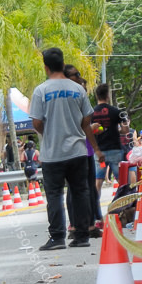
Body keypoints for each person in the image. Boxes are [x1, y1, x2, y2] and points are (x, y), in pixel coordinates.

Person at [29, 47, 102, 251]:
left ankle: (58, 237)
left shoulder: (41, 90)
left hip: (53, 153)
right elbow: (88, 118)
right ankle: (81, 235)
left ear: (46, 67)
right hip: (77, 151)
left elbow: (36, 122)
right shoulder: (77, 89)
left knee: (54, 195)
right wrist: (75, 128)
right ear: (63, 64)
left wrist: (50, 132)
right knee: (80, 192)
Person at [64, 65, 102, 238]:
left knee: (89, 190)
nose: (79, 79)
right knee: (76, 190)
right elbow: (77, 125)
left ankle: (90, 224)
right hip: (74, 150)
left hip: (85, 150)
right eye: (75, 76)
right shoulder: (66, 101)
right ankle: (75, 226)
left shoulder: (79, 99)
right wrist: (90, 129)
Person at [91, 83, 129, 192]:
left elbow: (88, 131)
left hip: (99, 152)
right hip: (115, 150)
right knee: (121, 180)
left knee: (98, 180)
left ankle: (95, 206)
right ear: (108, 96)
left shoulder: (91, 113)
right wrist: (115, 130)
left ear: (97, 96)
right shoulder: (116, 111)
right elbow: (126, 130)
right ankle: (125, 204)